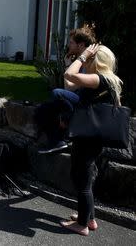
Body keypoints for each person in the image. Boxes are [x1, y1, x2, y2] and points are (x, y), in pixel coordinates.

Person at [60, 44, 122, 236]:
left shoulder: (99, 78)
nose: (85, 61)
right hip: (91, 136)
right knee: (83, 177)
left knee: (82, 179)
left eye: (89, 58)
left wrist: (81, 57)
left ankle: (82, 224)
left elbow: (70, 76)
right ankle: (89, 218)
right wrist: (70, 63)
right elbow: (69, 84)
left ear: (96, 60)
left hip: (88, 138)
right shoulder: (103, 80)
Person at [36, 26, 96, 154]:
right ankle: (57, 142)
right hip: (78, 99)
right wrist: (68, 64)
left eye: (71, 42)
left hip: (87, 103)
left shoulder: (90, 62)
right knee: (41, 111)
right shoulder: (78, 62)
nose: (68, 45)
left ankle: (65, 124)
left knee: (56, 93)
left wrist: (65, 116)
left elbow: (70, 88)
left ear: (80, 45)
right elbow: (69, 87)